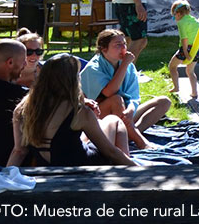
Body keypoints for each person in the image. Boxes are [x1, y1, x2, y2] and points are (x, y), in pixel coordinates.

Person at [7, 53, 135, 167]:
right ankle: (127, 171)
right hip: (81, 164)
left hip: (46, 163)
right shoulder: (79, 111)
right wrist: (138, 169)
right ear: (73, 80)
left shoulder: (23, 108)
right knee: (113, 121)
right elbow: (110, 151)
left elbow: (19, 151)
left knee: (88, 131)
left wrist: (6, 176)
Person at [80, 29, 170, 151]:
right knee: (116, 99)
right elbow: (108, 92)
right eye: (118, 45)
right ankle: (139, 140)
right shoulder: (94, 67)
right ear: (104, 49)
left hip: (122, 113)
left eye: (124, 44)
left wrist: (130, 110)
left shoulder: (128, 66)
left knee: (164, 101)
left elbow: (134, 96)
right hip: (98, 117)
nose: (123, 48)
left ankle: (128, 134)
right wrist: (124, 65)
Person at [167, 0, 199, 98]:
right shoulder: (196, 21)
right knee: (190, 71)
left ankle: (176, 87)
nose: (175, 19)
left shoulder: (181, 22)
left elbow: (184, 39)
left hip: (186, 48)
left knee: (172, 66)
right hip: (196, 48)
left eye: (174, 16)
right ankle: (194, 92)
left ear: (177, 13)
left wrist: (185, 52)